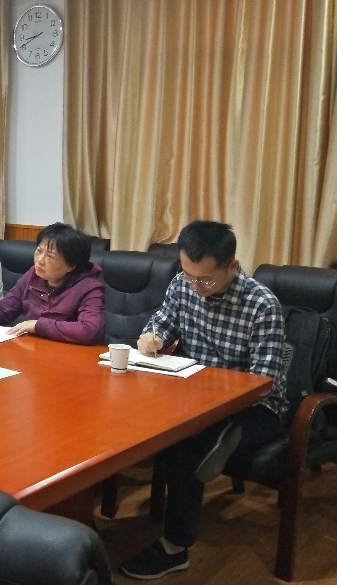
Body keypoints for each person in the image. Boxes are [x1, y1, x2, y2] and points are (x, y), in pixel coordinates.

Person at [120, 220, 287, 580]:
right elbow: (163, 323)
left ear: (232, 266)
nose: (195, 286)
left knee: (187, 447)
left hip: (253, 409)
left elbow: (263, 383)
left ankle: (174, 548)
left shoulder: (262, 305)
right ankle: (213, 438)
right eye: (188, 275)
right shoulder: (183, 284)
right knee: (151, 424)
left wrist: (211, 399)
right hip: (192, 399)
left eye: (205, 280)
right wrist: (152, 337)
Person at [0, 223, 105, 344]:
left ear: (71, 265)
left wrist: (38, 326)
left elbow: (90, 330)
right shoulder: (34, 274)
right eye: (39, 251)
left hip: (67, 354)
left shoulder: (89, 287)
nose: (40, 260)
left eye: (50, 256)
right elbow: (5, 308)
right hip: (34, 348)